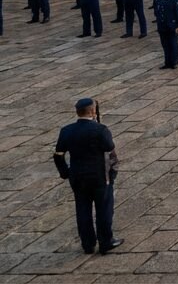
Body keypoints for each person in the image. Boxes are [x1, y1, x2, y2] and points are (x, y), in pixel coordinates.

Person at [53, 97, 121, 254]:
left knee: (82, 210)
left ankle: (88, 244)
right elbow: (110, 150)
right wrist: (113, 173)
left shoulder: (66, 130)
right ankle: (106, 241)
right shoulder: (100, 130)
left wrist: (65, 173)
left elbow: (58, 155)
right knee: (104, 209)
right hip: (99, 176)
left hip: (77, 177)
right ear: (92, 111)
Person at [153, 0, 178, 68]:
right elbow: (156, 12)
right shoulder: (158, 0)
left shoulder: (173, 0)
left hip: (172, 26)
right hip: (162, 26)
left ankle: (174, 62)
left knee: (173, 44)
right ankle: (167, 62)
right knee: (165, 45)